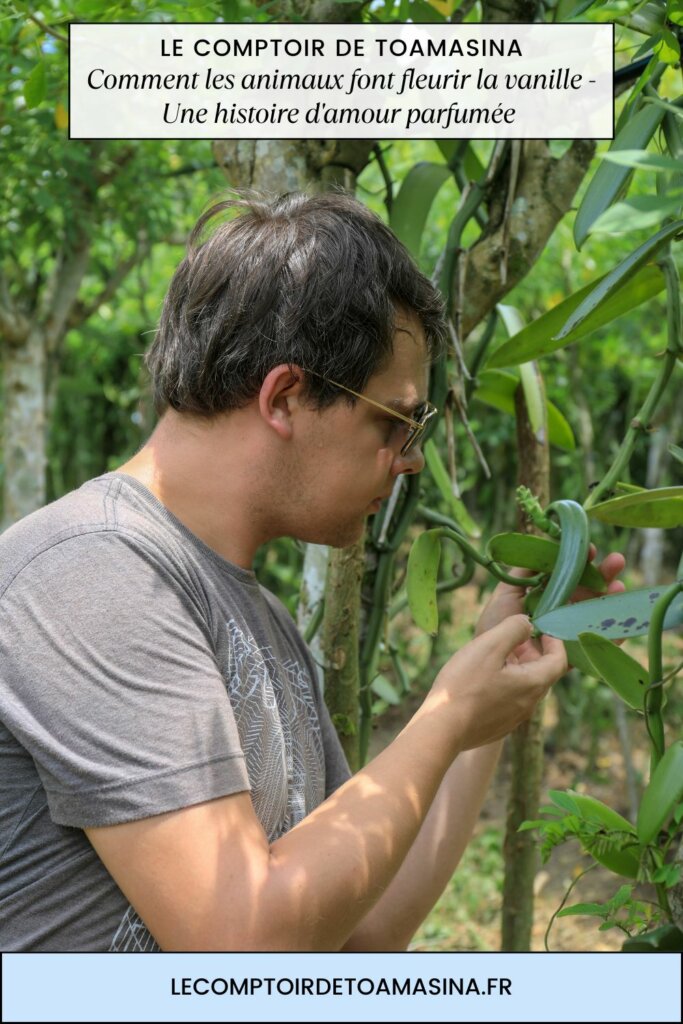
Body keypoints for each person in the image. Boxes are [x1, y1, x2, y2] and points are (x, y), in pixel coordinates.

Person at [0, 191, 624, 952]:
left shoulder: (260, 623)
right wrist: (446, 716)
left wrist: (484, 695)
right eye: (394, 421)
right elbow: (241, 942)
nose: (411, 458)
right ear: (287, 396)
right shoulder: (89, 572)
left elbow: (357, 930)